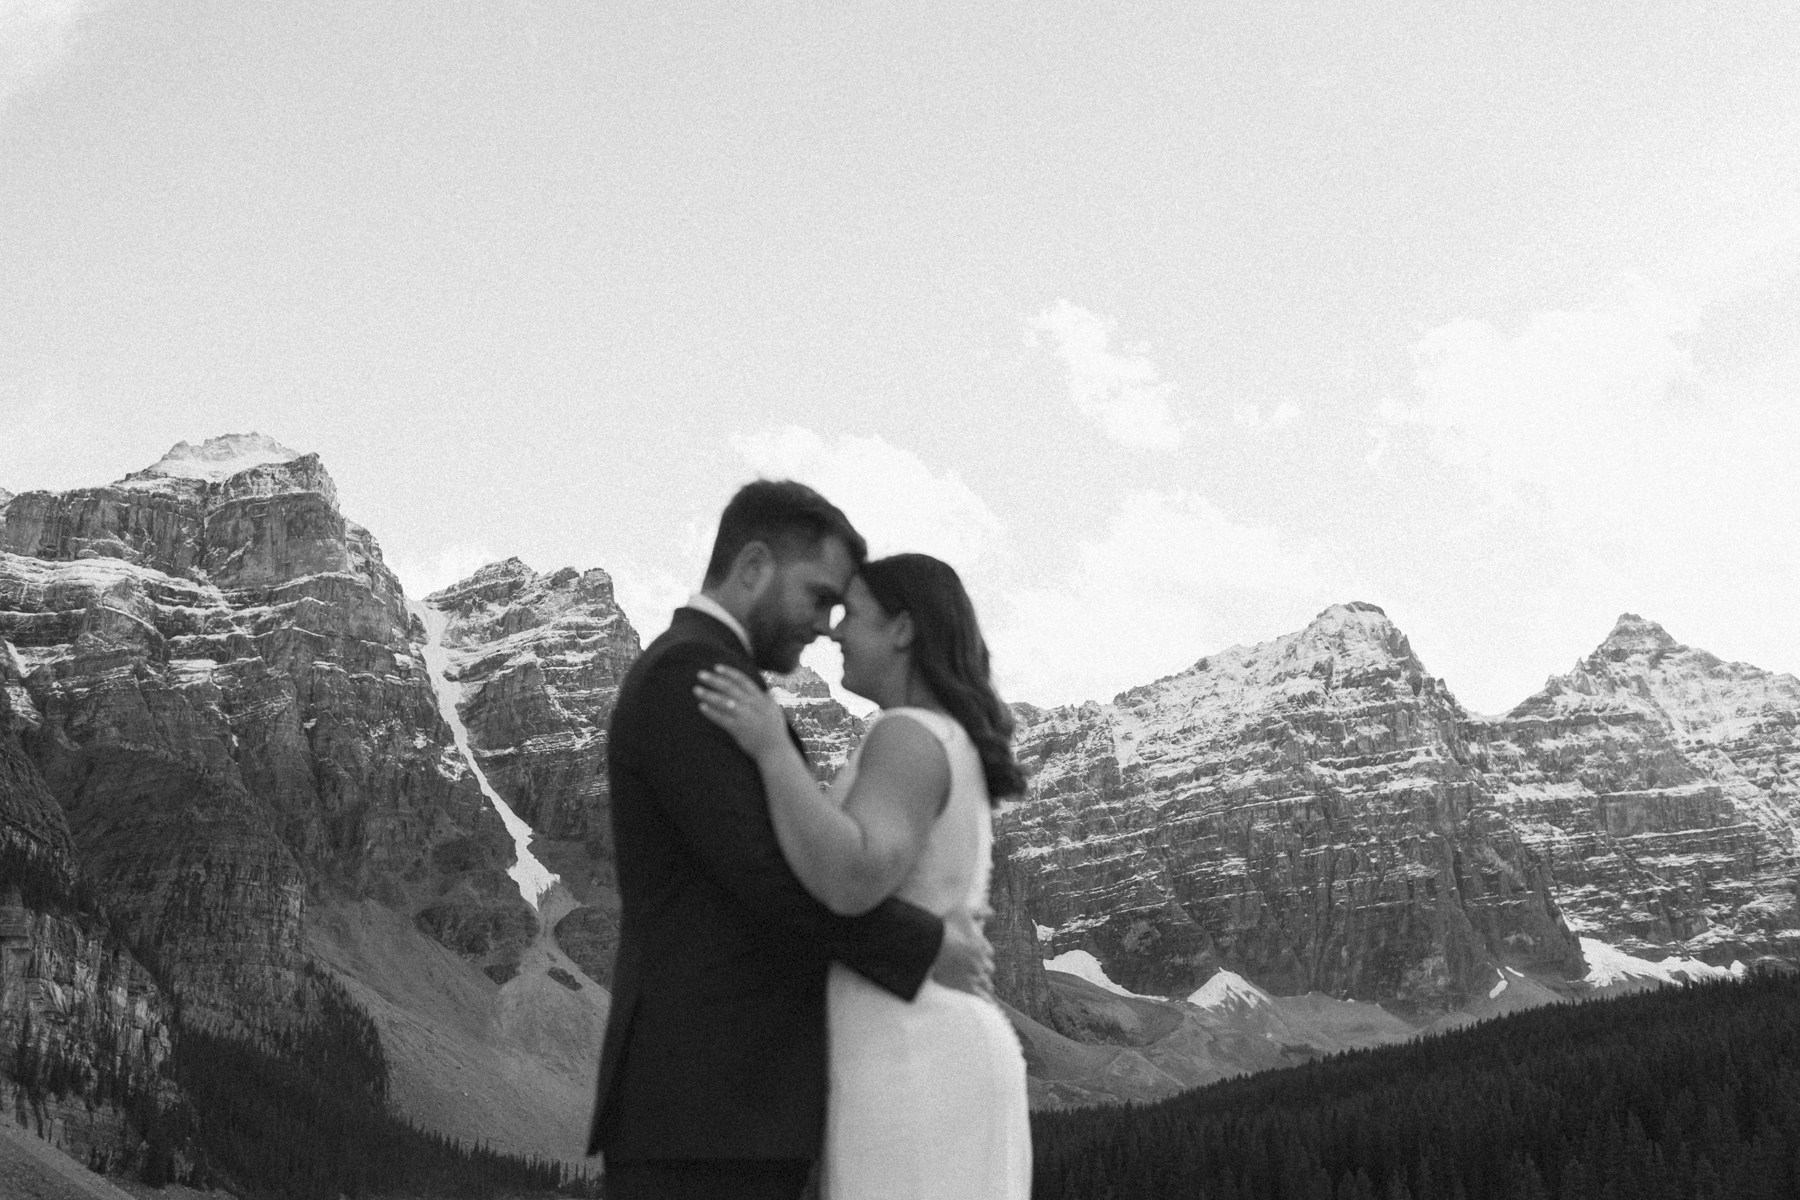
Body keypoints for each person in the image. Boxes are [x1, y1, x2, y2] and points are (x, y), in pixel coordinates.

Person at [587, 481, 995, 1200]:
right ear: (753, 567)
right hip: (706, 1113)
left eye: (841, 608)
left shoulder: (714, 673)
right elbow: (765, 875)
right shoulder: (692, 673)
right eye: (818, 596)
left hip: (725, 1113)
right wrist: (924, 945)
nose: (825, 625)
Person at [694, 551, 1032, 1200]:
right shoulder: (941, 735)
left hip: (912, 1053)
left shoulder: (905, 734)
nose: (834, 631)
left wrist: (770, 747)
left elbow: (851, 878)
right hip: (919, 1045)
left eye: (854, 615)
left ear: (903, 630)